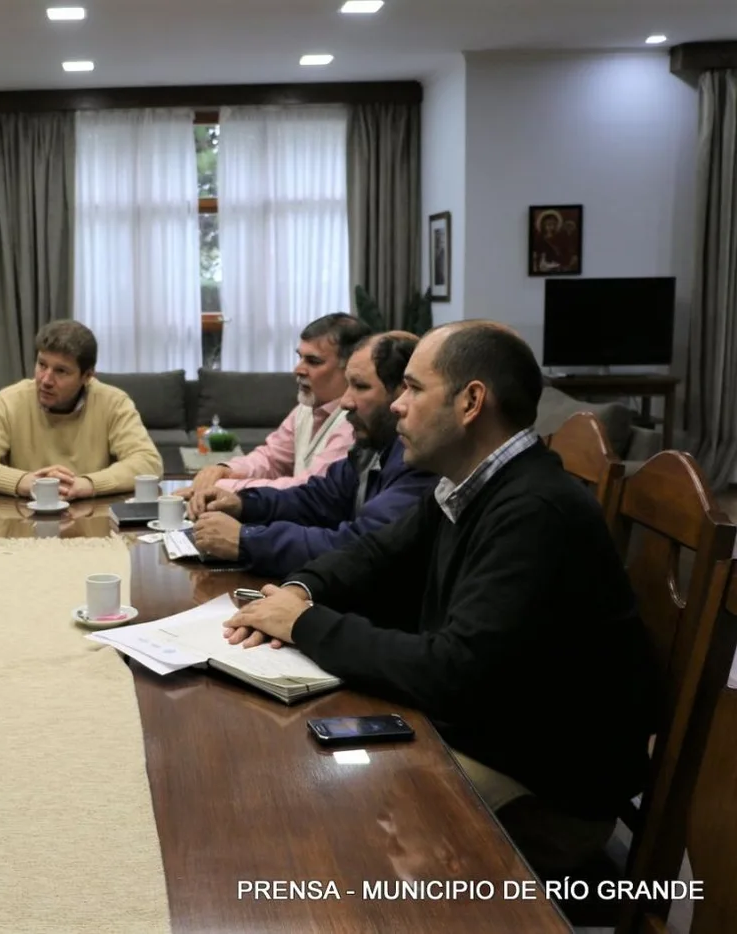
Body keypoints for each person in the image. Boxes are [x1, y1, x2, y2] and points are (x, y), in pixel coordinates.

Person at [222, 322, 655, 874]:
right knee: (298, 765)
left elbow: (452, 670)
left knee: (325, 819)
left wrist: (304, 624)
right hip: (490, 732)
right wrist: (297, 592)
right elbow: (374, 554)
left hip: (547, 789)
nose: (398, 406)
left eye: (413, 389)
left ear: (472, 401)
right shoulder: (469, 484)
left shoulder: (535, 512)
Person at [187, 331, 436, 578]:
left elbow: (360, 545)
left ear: (403, 394)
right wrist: (244, 503)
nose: (345, 402)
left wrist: (246, 541)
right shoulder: (373, 446)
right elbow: (316, 498)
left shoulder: (421, 459)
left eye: (360, 386)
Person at [0, 319, 162, 499]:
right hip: (25, 522)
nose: (46, 380)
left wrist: (88, 484)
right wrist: (23, 481)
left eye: (61, 371)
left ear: (87, 376)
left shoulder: (113, 402)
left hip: (91, 524)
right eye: (42, 365)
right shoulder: (9, 401)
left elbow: (148, 463)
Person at [181, 313, 368, 499]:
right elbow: (272, 458)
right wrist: (225, 469)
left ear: (350, 368)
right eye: (300, 357)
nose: (298, 369)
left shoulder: (355, 421)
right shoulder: (306, 408)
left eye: (313, 361)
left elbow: (309, 487)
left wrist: (225, 487)